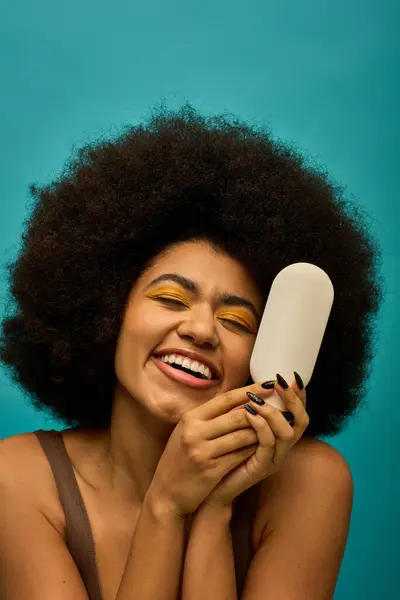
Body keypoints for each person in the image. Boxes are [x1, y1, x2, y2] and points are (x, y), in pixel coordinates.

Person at [0, 104, 383, 600]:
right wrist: (166, 504)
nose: (202, 329)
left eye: (236, 320)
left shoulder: (311, 483)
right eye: (170, 298)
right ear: (109, 313)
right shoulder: (16, 480)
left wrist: (212, 507)